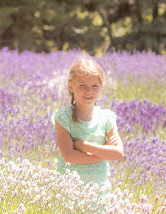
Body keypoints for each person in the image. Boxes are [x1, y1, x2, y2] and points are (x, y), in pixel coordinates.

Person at [52, 56, 124, 194]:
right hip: (69, 190)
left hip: (98, 190)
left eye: (94, 86)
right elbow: (69, 156)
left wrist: (83, 146)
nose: (89, 91)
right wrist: (104, 153)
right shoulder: (63, 119)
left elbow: (118, 153)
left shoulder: (106, 118)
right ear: (70, 86)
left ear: (101, 87)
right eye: (82, 85)